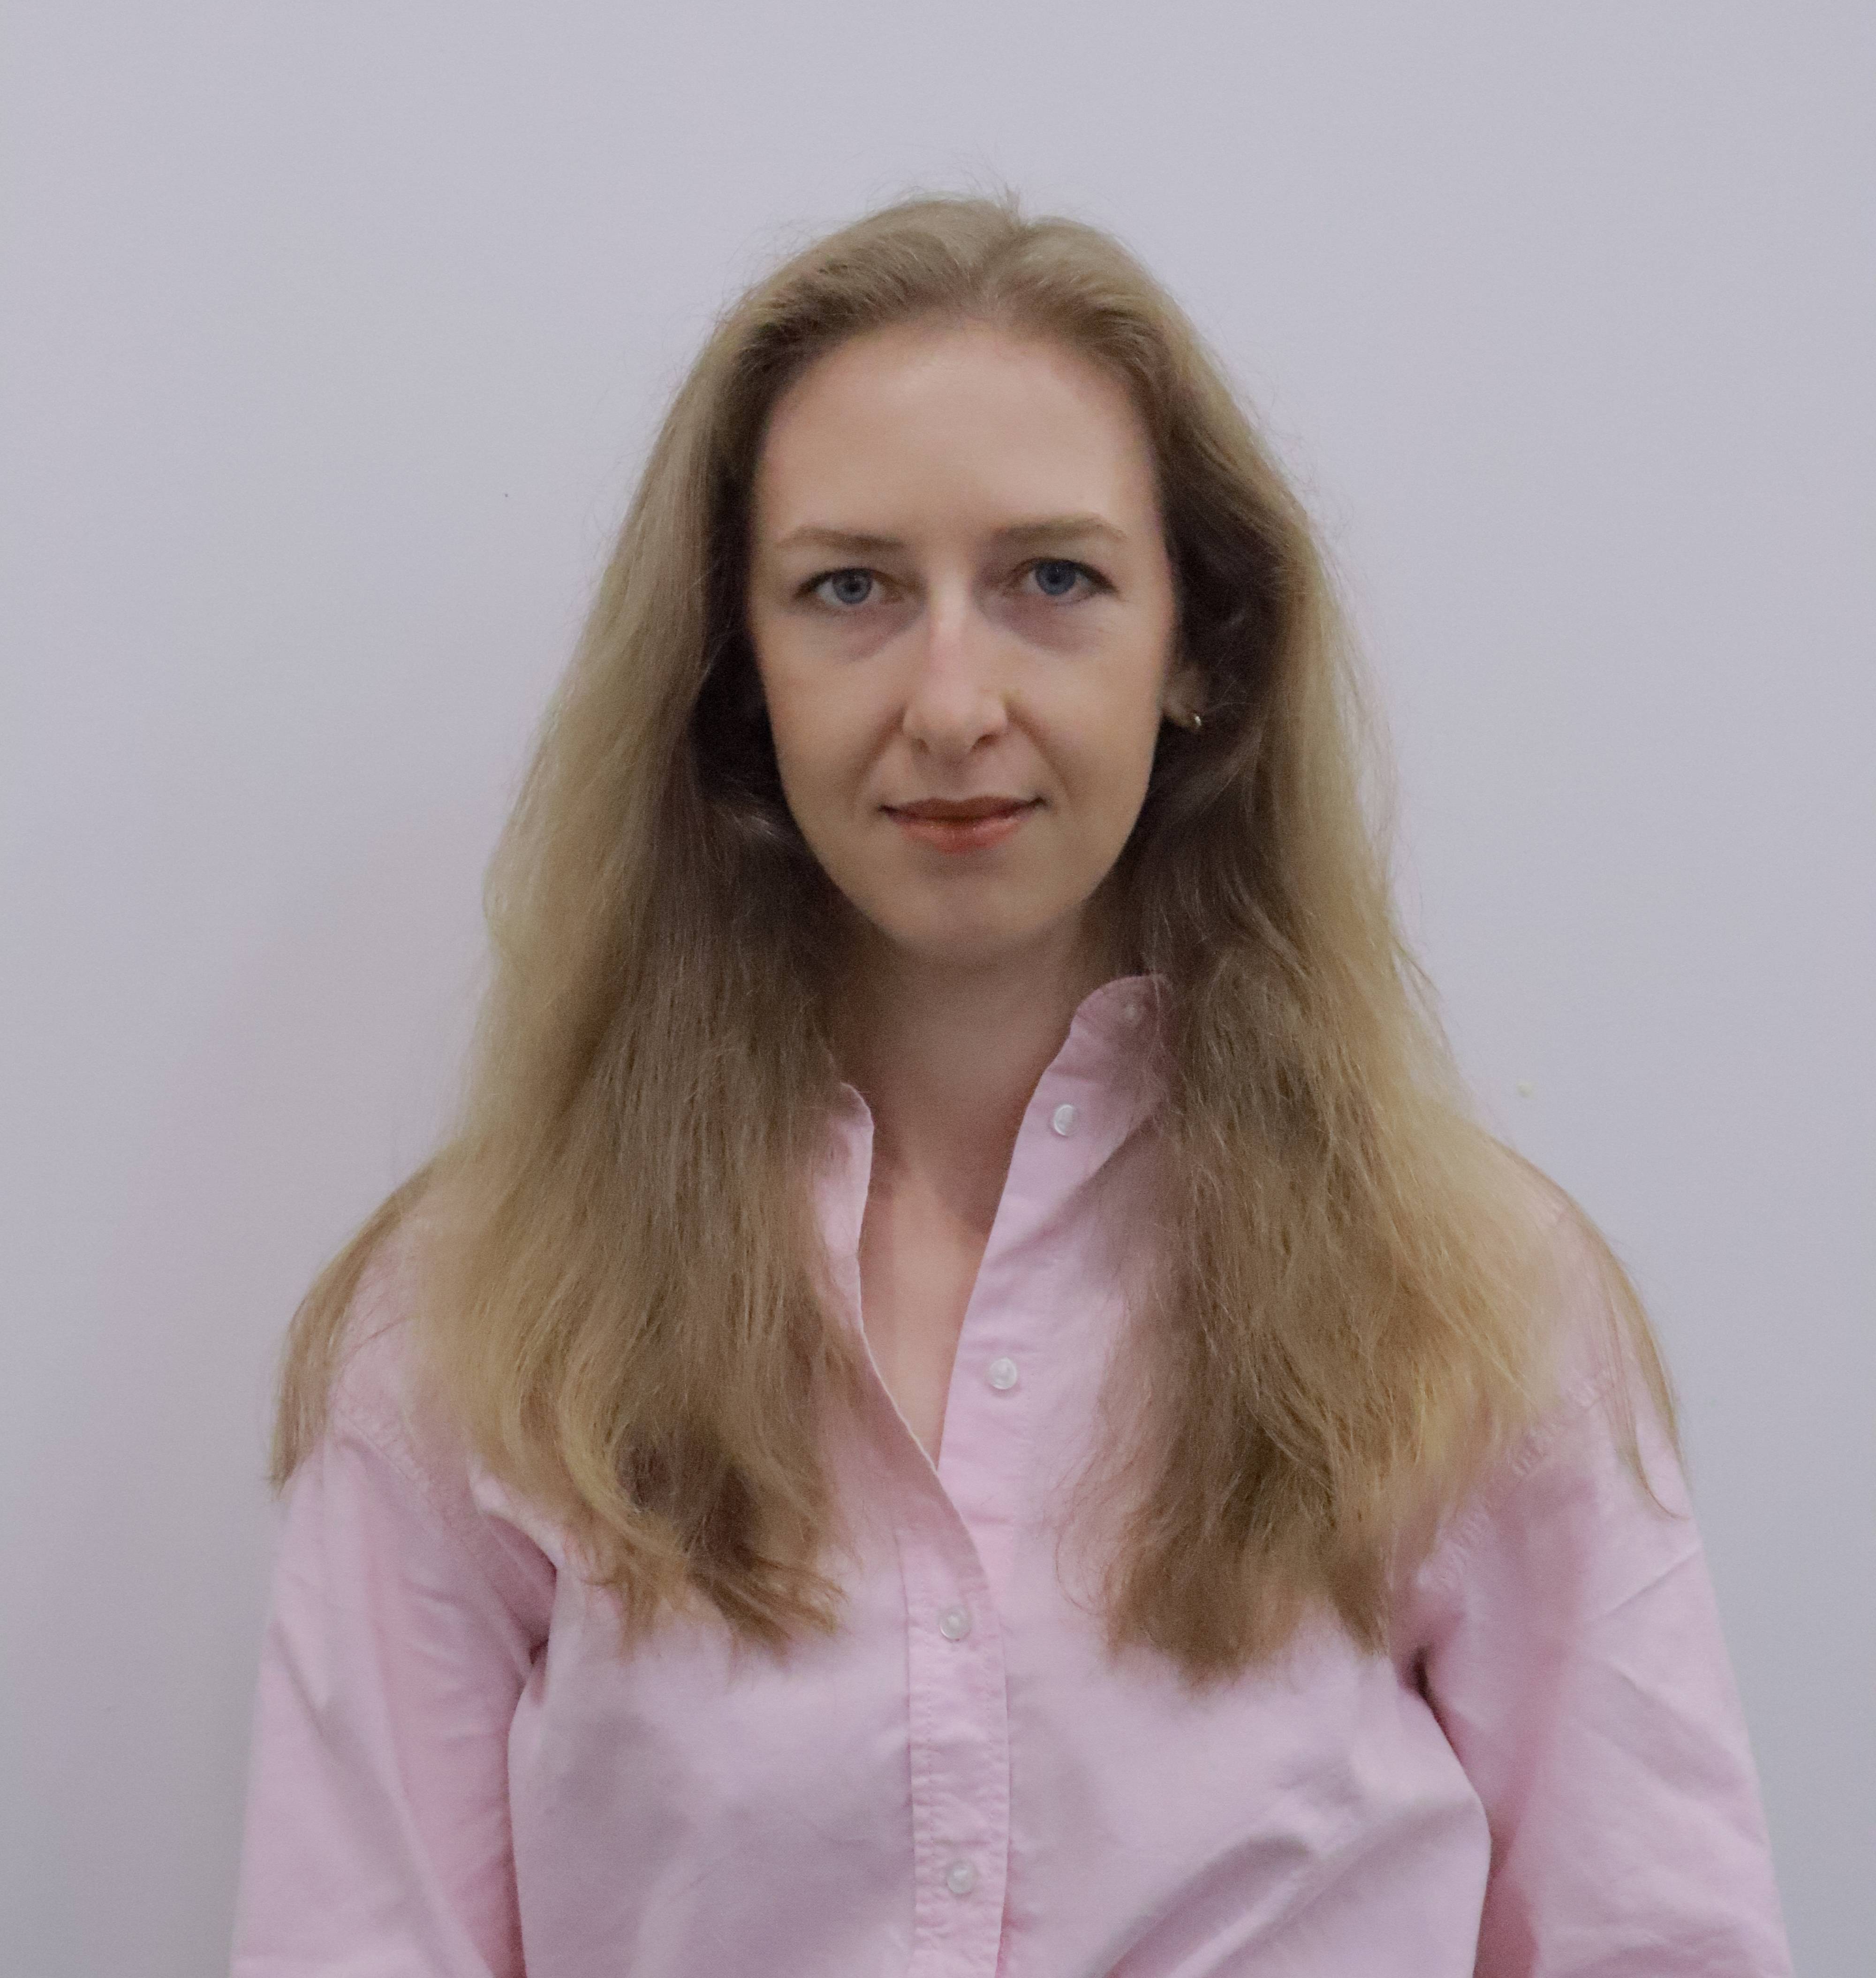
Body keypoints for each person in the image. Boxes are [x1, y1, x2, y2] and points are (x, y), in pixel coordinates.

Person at [229, 195, 1792, 1977]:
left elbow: (1659, 1945)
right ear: (740, 673)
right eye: (851, 590)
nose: (954, 699)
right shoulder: (473, 1322)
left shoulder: (1471, 1298)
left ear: (1197, 644)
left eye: (1053, 578)